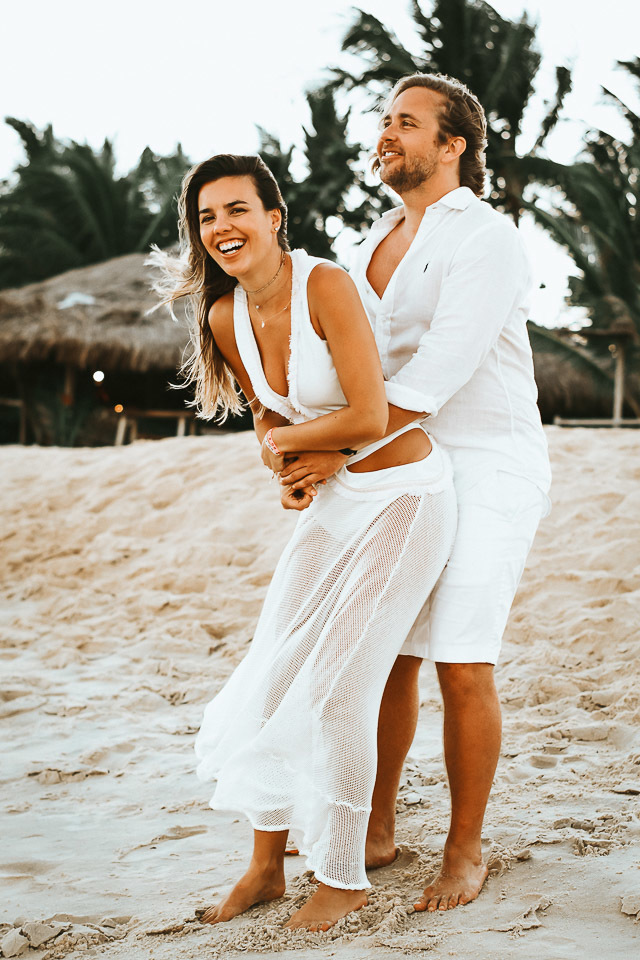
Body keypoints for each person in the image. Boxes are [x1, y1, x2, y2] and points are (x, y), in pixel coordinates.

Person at [153, 154, 457, 932]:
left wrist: (306, 444)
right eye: (207, 217)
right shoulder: (225, 317)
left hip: (404, 499)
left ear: (274, 215)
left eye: (237, 210)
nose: (222, 227)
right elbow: (268, 415)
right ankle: (263, 868)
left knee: (336, 687)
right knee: (273, 673)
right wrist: (279, 460)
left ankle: (346, 878)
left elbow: (364, 412)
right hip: (331, 503)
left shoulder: (325, 285)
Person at [279, 73, 552, 913]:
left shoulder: (488, 237)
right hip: (400, 458)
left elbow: (435, 374)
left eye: (407, 122)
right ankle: (376, 826)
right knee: (388, 652)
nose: (387, 133)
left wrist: (336, 450)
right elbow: (350, 365)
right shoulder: (369, 242)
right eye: (385, 120)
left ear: (453, 144)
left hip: (488, 458)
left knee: (462, 658)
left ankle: (465, 849)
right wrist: (297, 433)